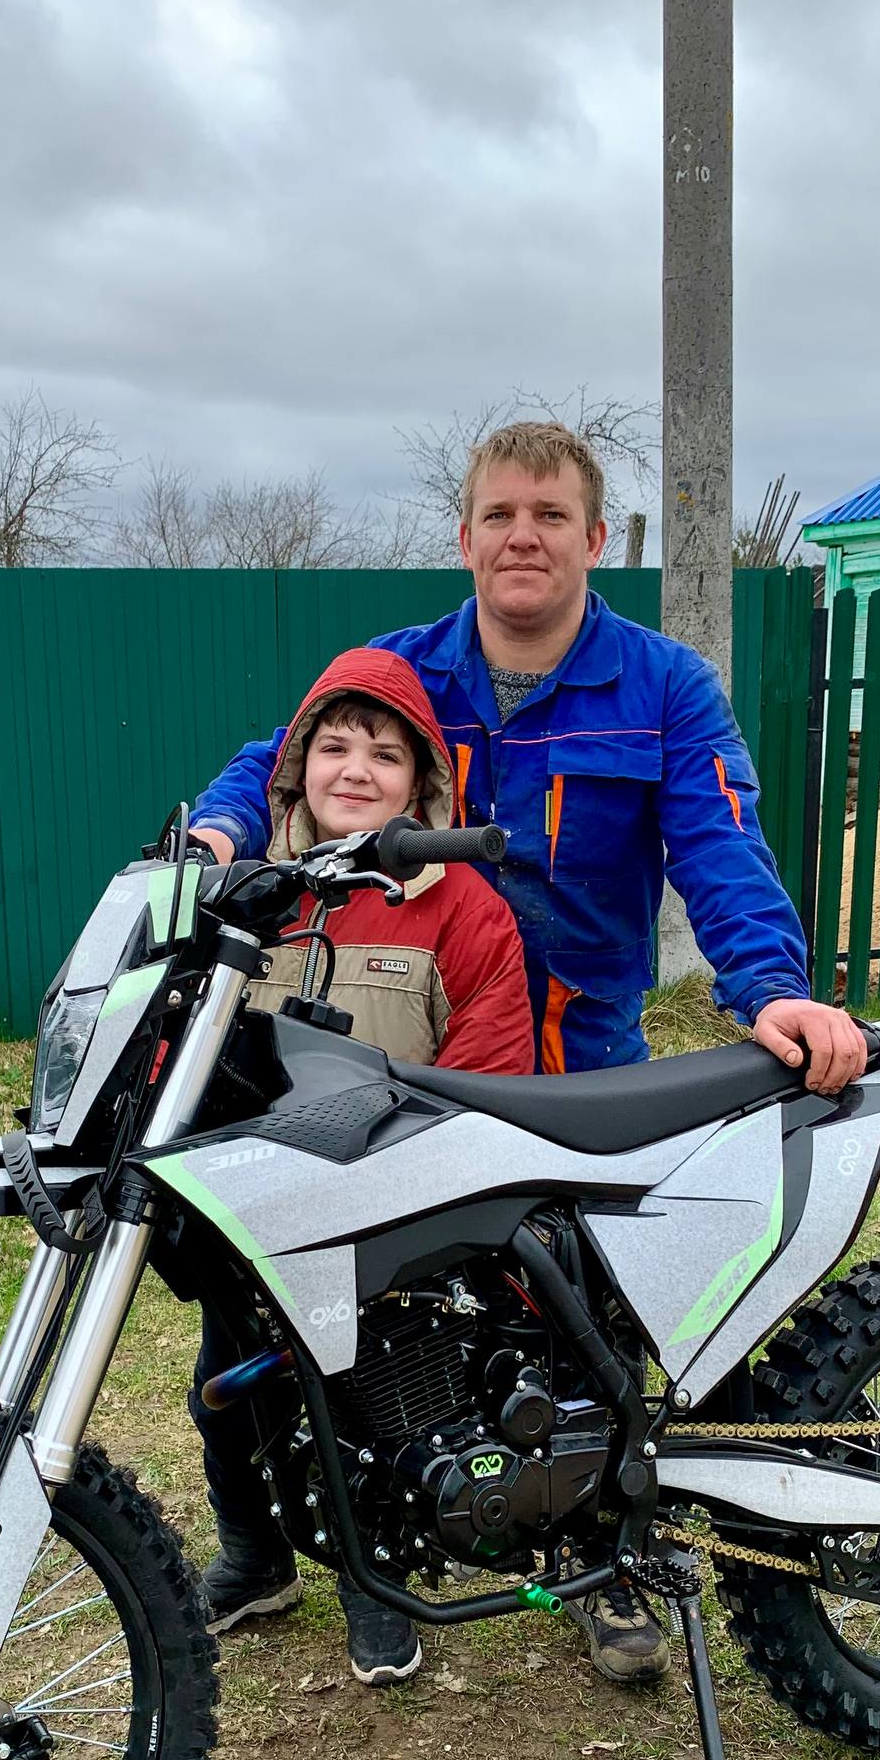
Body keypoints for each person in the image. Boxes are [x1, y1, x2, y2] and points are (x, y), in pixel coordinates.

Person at [191, 420, 869, 1687]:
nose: (523, 536)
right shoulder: (403, 670)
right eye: (500, 514)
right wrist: (219, 840)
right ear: (464, 537)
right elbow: (273, 757)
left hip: (582, 1062)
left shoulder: (666, 687)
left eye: (550, 516)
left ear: (595, 538)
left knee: (587, 1318)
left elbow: (722, 847)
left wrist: (773, 989)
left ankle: (610, 1562)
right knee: (325, 1300)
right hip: (411, 1055)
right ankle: (283, 1541)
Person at [193, 644, 533, 1690]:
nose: (356, 769)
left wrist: (406, 1177)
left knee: (363, 1412)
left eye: (386, 756)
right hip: (253, 1203)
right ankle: (254, 1557)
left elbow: (490, 1067)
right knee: (225, 1394)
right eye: (335, 746)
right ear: (295, 766)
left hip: (388, 1210)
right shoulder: (247, 898)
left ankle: (373, 1581)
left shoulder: (461, 906)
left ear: (421, 784)